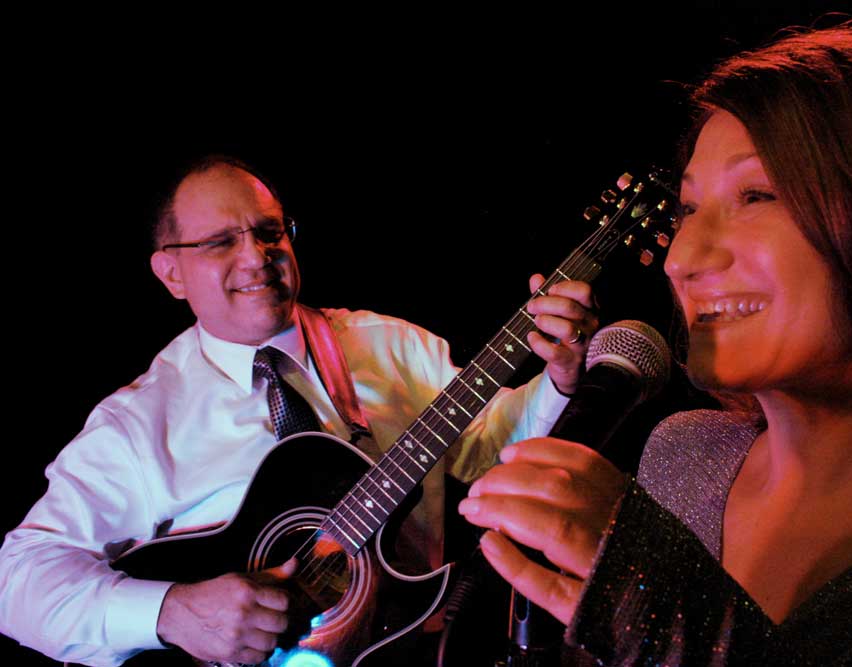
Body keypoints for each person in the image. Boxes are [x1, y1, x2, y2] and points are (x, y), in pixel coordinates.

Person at [460, 22, 852, 665]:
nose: (681, 260)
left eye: (755, 196)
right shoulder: (684, 453)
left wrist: (664, 613)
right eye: (689, 209)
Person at [0, 155, 599, 666]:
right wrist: (171, 612)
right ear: (171, 273)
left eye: (268, 232)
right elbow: (17, 583)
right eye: (219, 242)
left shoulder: (391, 347)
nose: (256, 257)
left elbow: (492, 445)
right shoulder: (138, 424)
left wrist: (561, 380)